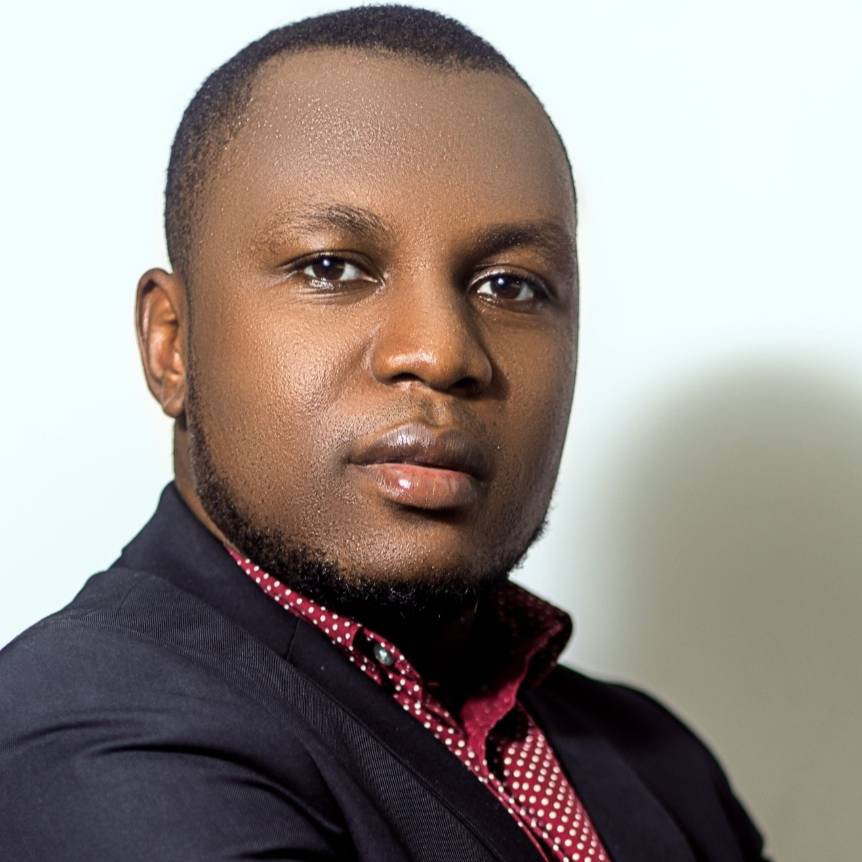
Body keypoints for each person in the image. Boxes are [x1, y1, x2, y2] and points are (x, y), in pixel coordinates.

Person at [0, 6, 768, 861]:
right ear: (172, 346)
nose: (441, 353)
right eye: (332, 267)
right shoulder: (92, 732)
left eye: (510, 286)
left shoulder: (656, 761)